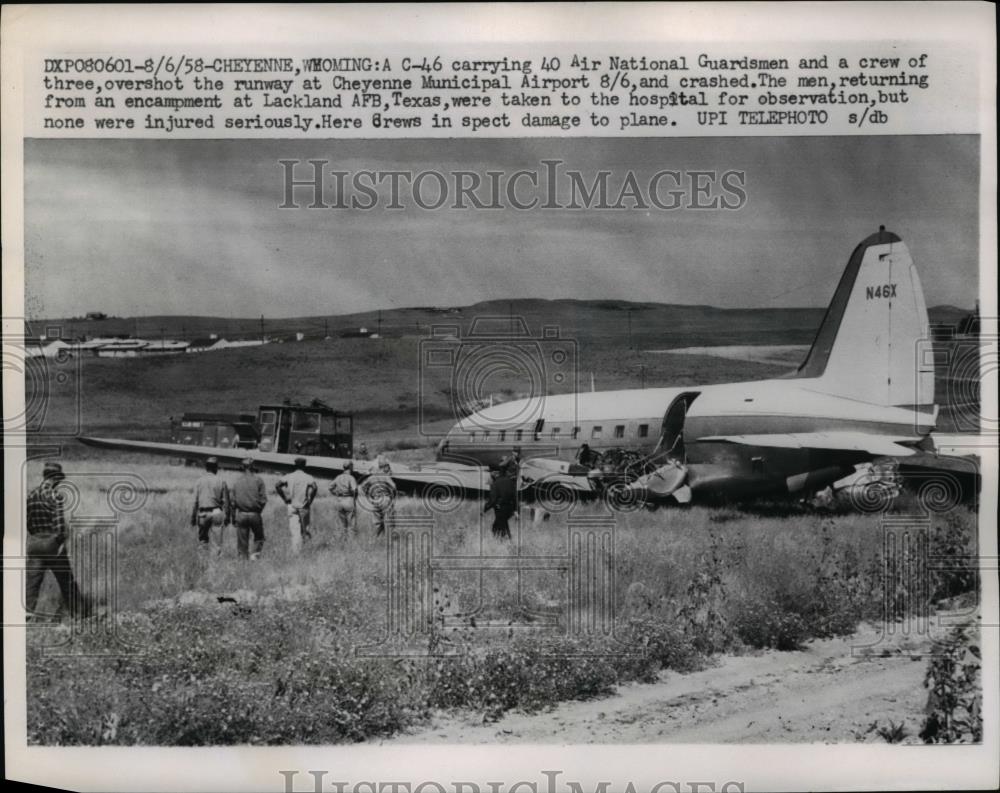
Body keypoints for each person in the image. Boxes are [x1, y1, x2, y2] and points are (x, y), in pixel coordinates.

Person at [25, 462, 87, 620]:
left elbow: (28, 523)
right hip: (52, 543)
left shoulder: (31, 495)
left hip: (34, 543)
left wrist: (37, 537)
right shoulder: (55, 495)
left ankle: (26, 614)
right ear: (56, 478)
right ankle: (80, 614)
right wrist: (59, 542)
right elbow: (59, 527)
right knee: (67, 581)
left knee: (32, 584)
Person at [276, 457, 317, 555]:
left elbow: (277, 485)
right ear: (304, 465)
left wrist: (285, 498)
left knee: (295, 532)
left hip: (292, 506)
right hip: (304, 506)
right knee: (305, 530)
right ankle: (306, 550)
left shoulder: (289, 476)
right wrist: (310, 500)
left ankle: (296, 553)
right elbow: (315, 487)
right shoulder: (308, 477)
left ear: (295, 465)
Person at [230, 456, 268, 560]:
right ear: (253, 466)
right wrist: (258, 511)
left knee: (242, 541)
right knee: (259, 538)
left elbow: (232, 502)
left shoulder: (237, 481)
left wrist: (233, 517)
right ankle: (254, 557)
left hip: (241, 514)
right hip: (255, 514)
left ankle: (243, 560)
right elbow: (264, 500)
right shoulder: (258, 480)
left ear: (243, 467)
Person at [191, 457, 230, 556]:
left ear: (206, 468)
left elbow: (195, 501)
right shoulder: (221, 481)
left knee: (203, 541)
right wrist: (228, 517)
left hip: (203, 513)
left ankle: (203, 562)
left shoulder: (199, 481)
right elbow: (226, 502)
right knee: (217, 544)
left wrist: (193, 517)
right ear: (216, 468)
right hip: (217, 512)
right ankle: (215, 565)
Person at [360, 459, 397, 536]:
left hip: (375, 500)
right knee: (390, 521)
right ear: (384, 467)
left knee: (377, 522)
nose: (389, 469)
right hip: (385, 499)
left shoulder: (371, 477)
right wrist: (391, 495)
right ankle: (391, 540)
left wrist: (369, 495)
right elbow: (393, 486)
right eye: (388, 467)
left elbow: (363, 487)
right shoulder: (385, 476)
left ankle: (376, 539)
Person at [484, 464, 517, 540]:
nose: (490, 474)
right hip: (510, 509)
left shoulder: (495, 484)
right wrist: (515, 510)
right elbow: (515, 497)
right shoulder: (510, 481)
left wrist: (485, 509)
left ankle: (506, 543)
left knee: (497, 528)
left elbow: (493, 500)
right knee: (501, 526)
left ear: (495, 473)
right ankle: (506, 542)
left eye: (491, 472)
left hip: (500, 509)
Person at [329, 461, 359, 535]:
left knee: (341, 523)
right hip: (348, 500)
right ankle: (351, 542)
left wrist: (335, 493)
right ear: (350, 467)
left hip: (339, 500)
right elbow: (355, 490)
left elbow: (330, 487)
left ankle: (342, 540)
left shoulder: (338, 477)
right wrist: (354, 499)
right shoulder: (351, 478)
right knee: (351, 523)